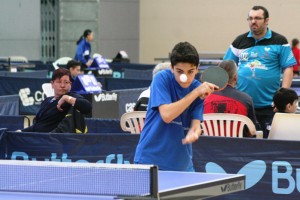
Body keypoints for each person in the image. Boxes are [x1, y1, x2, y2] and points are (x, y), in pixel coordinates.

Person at [134, 42, 218, 172]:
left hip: (182, 165)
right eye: (179, 71)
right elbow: (167, 115)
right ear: (172, 68)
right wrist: (195, 92)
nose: (185, 77)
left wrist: (194, 132)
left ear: (197, 68)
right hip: (151, 161)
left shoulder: (198, 88)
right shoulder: (161, 79)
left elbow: (195, 125)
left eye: (191, 71)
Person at [223, 5, 296, 138]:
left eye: (257, 18)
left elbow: (288, 68)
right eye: (250, 18)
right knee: (243, 142)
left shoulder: (280, 41)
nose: (253, 21)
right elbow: (226, 68)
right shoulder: (239, 41)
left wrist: (282, 96)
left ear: (266, 20)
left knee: (269, 143)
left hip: (269, 105)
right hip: (242, 104)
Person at [21, 68, 92, 133]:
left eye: (66, 82)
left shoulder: (71, 97)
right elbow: (37, 126)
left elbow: (87, 107)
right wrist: (21, 131)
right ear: (52, 84)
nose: (62, 85)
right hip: (37, 139)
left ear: (70, 84)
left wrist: (66, 98)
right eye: (59, 82)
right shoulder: (47, 100)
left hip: (53, 141)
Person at [204, 60, 259, 137]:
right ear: (235, 78)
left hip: (208, 147)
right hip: (238, 147)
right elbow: (253, 130)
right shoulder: (246, 99)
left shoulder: (204, 98)